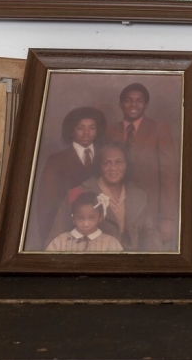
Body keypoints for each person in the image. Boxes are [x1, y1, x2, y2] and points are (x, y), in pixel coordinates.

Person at [47, 143, 162, 252]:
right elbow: (55, 238)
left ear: (127, 165)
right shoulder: (78, 192)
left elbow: (150, 234)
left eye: (119, 162)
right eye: (107, 163)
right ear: (99, 166)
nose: (113, 168)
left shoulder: (139, 195)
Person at [105, 83, 179, 250]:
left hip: (150, 209)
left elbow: (169, 174)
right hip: (117, 206)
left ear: (146, 104)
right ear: (121, 104)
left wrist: (168, 218)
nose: (133, 105)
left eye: (139, 101)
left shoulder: (159, 129)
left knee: (148, 254)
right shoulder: (110, 131)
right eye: (128, 100)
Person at [35, 107, 106, 243]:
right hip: (67, 228)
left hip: (103, 229)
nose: (86, 133)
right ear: (71, 131)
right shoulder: (56, 160)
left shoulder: (105, 157)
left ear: (97, 131)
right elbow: (47, 203)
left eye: (92, 128)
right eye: (80, 128)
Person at [45, 190, 124, 252]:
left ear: (100, 218)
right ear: (73, 219)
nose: (86, 224)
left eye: (91, 218)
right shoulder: (60, 241)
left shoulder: (111, 243)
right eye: (80, 218)